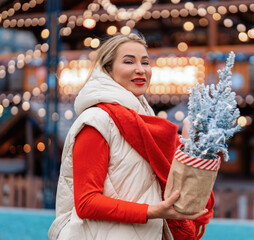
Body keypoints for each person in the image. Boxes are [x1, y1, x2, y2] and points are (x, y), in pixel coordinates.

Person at [48, 33, 215, 240]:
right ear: (107, 70)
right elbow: (86, 203)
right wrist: (152, 211)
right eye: (129, 61)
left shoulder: (145, 120)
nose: (141, 69)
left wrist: (192, 151)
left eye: (145, 62)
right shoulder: (96, 121)